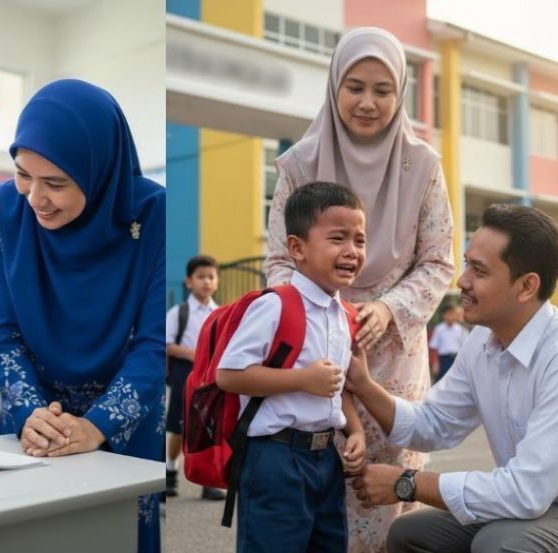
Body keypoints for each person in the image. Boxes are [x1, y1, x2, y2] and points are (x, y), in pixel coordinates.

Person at [264, 26, 454, 552]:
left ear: (400, 94)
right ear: (333, 86)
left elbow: (440, 262)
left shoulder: (424, 167)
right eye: (354, 87)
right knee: (319, 487)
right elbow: (279, 260)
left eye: (382, 89)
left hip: (393, 361)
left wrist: (389, 309)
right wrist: (325, 312)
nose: (368, 103)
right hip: (315, 359)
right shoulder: (299, 165)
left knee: (391, 499)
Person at [0, 79, 165, 553]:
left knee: (116, 535)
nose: (35, 197)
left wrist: (98, 423)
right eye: (23, 174)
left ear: (98, 171)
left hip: (125, 418)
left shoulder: (152, 212)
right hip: (38, 418)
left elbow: (153, 342)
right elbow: (4, 331)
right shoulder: (3, 210)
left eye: (56, 183)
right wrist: (30, 414)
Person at [346, 204, 558, 553]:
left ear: (526, 286)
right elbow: (431, 424)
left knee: (500, 545)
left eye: (479, 270)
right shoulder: (482, 343)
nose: (462, 281)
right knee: (408, 534)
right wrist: (364, 385)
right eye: (467, 262)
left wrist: (407, 483)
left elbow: (526, 492)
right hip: (533, 505)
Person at [217, 182, 367, 553]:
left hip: (325, 458)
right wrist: (303, 379)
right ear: (297, 248)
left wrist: (356, 430)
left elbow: (336, 385)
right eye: (338, 239)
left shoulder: (344, 314)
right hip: (275, 458)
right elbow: (229, 375)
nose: (351, 251)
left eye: (360, 241)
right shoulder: (276, 305)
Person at [165, 254, 223, 500]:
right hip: (184, 375)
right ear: (189, 281)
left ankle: (207, 481)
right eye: (201, 277)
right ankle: (170, 472)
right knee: (179, 428)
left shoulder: (220, 313)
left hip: (209, 379)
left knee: (207, 430)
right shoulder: (180, 312)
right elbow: (166, 344)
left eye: (211, 277)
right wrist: (194, 354)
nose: (206, 282)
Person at [428, 304, 467, 381]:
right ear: (443, 315)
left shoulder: (460, 330)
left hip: (456, 359)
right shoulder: (439, 329)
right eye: (448, 314)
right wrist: (435, 363)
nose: (450, 316)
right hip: (443, 360)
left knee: (456, 382)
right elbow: (433, 347)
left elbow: (465, 347)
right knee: (442, 381)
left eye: (452, 314)